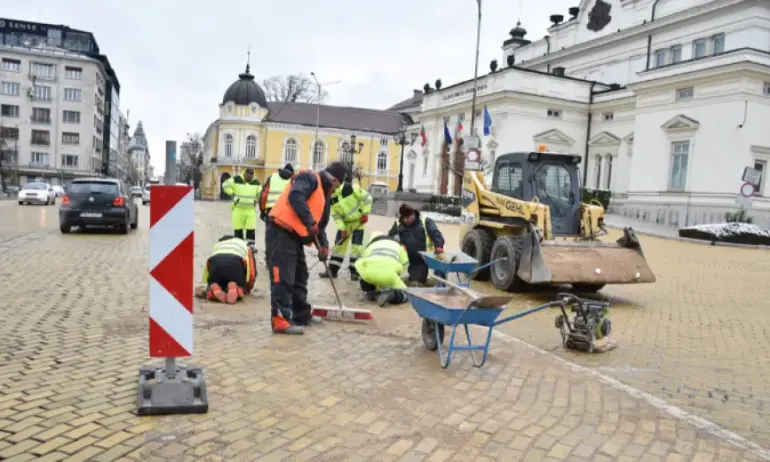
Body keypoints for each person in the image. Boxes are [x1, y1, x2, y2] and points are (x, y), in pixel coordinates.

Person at [266, 161, 347, 334]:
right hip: (281, 231)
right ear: (333, 180)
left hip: (295, 237)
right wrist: (309, 222)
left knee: (300, 276)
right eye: (337, 186)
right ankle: (280, 319)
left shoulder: (324, 196)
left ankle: (301, 315)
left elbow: (321, 226)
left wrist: (323, 247)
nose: (335, 190)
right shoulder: (310, 178)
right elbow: (295, 197)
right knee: (284, 277)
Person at [320, 181, 372, 281]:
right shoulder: (331, 198)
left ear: (335, 181)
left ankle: (355, 272)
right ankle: (332, 271)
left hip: (358, 223)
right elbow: (336, 216)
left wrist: (365, 213)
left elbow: (368, 198)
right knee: (338, 247)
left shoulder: (350, 188)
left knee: (356, 248)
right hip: (345, 224)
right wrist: (342, 228)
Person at [388, 204, 446, 285]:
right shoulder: (398, 225)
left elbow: (437, 235)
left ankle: (437, 283)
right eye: (403, 218)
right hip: (406, 259)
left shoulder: (425, 221)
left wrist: (439, 246)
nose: (405, 220)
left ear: (413, 214)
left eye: (407, 218)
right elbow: (389, 239)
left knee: (417, 282)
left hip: (422, 260)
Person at [355, 231, 410, 307]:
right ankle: (392, 294)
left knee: (368, 272)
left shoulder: (370, 246)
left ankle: (370, 292)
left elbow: (360, 263)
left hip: (368, 276)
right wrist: (397, 276)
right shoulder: (398, 246)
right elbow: (406, 264)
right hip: (389, 275)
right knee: (406, 294)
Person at [202, 236, 258, 304]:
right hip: (235, 264)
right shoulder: (245, 245)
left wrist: (210, 282)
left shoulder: (218, 245)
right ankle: (237, 289)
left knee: (215, 283)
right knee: (240, 285)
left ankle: (212, 291)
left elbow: (209, 264)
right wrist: (247, 289)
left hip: (216, 264)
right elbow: (252, 273)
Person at [222, 168, 261, 241]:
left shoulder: (256, 182)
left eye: (251, 178)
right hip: (238, 209)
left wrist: (256, 200)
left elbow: (260, 192)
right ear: (245, 174)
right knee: (238, 229)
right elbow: (225, 185)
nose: (249, 180)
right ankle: (239, 245)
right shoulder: (236, 179)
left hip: (250, 210)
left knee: (251, 229)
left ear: (253, 176)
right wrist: (232, 193)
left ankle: (250, 247)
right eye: (248, 177)